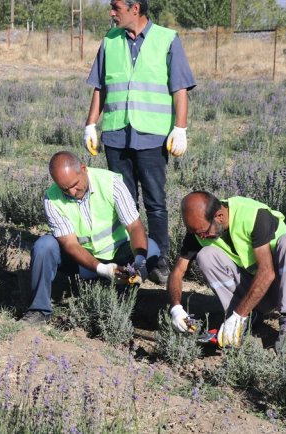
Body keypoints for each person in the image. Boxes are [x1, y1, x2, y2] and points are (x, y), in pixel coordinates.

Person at [84, 0, 196, 285]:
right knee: (123, 202)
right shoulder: (109, 41)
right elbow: (100, 87)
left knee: (155, 202)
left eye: (116, 7)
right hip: (116, 135)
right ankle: (130, 259)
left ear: (135, 8)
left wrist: (180, 128)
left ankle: (158, 261)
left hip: (152, 135)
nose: (111, 12)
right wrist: (90, 124)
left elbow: (179, 87)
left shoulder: (167, 39)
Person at [167, 191, 286, 353]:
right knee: (206, 255)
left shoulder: (253, 215)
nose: (201, 237)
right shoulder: (199, 229)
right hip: (260, 296)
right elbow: (177, 272)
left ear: (219, 216)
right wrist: (176, 308)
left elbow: (267, 273)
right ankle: (244, 320)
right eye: (195, 232)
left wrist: (239, 314)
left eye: (203, 231)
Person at [20, 151, 160, 324]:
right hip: (82, 261)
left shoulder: (110, 183)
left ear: (84, 169)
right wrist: (102, 269)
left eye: (75, 184)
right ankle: (39, 310)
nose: (71, 192)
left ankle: (124, 294)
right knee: (44, 246)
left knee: (150, 248)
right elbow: (70, 244)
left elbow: (134, 226)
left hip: (119, 254)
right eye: (64, 189)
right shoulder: (51, 198)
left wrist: (138, 260)